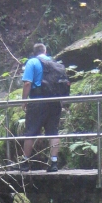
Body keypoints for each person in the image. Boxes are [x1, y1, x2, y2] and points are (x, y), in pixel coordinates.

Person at [20, 43, 70, 172]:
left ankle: (25, 163)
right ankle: (54, 163)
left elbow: (27, 83)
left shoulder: (32, 62)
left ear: (34, 52)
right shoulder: (54, 63)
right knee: (53, 132)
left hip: (38, 101)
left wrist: (24, 101)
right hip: (54, 101)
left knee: (31, 132)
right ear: (45, 51)